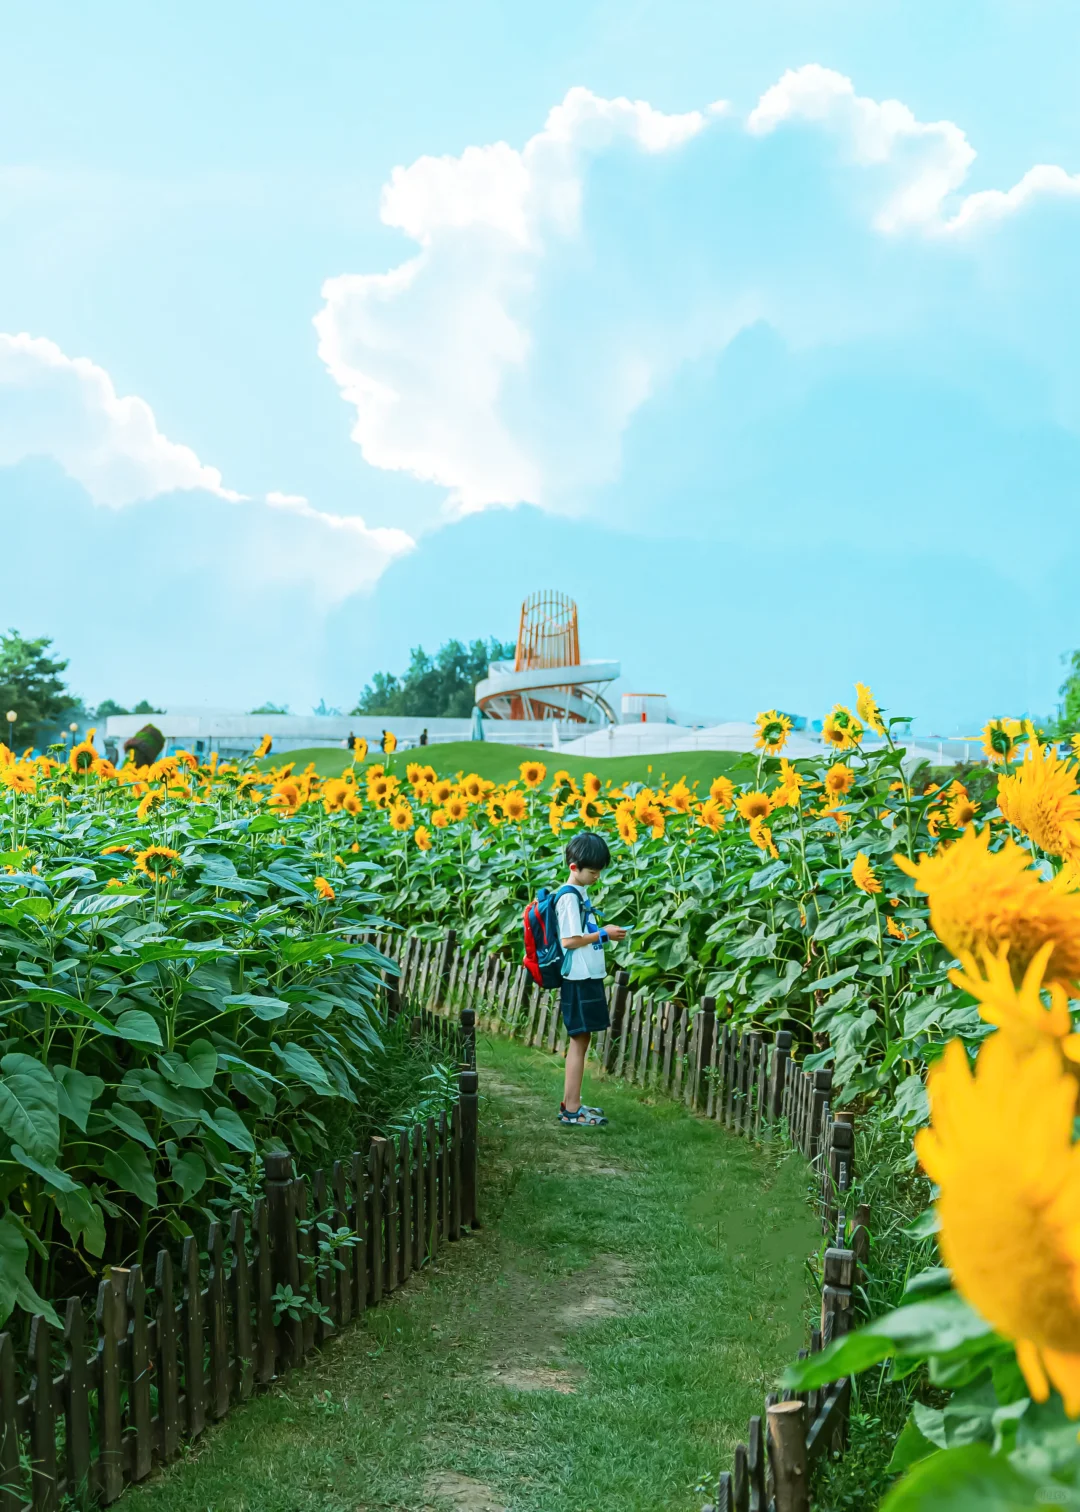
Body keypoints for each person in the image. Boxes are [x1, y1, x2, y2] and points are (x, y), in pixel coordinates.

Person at [555, 832, 628, 1127]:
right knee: (579, 1040)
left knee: (582, 1040)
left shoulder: (580, 894)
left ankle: (574, 1103)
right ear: (575, 868)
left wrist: (604, 934)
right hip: (577, 977)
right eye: (593, 871)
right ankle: (571, 1109)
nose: (598, 876)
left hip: (586, 974)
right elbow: (570, 940)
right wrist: (603, 934)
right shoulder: (569, 898)